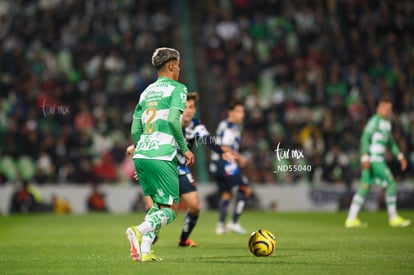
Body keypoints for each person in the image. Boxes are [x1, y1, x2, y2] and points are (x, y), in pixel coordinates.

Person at [126, 92, 234, 247]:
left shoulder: (196, 126)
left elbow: (208, 140)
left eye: (192, 107)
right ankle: (148, 234)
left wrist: (222, 152)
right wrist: (135, 146)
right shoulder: (168, 122)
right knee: (162, 208)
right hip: (162, 166)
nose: (189, 110)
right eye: (185, 107)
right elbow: (150, 135)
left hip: (180, 169)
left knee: (195, 207)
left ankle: (183, 239)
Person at [125, 47, 195, 262]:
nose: (180, 69)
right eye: (179, 65)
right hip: (163, 154)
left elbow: (135, 130)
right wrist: (184, 148)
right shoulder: (178, 89)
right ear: (172, 65)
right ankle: (138, 230)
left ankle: (145, 251)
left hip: (143, 154)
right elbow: (174, 120)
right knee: (171, 209)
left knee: (157, 203)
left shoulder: (146, 92)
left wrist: (143, 151)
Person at [344, 97, 410, 228]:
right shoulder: (374, 121)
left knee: (364, 187)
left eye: (389, 108)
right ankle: (393, 217)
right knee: (391, 183)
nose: (387, 110)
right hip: (374, 159)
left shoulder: (387, 123)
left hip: (376, 159)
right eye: (385, 108)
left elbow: (391, 143)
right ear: (379, 109)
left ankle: (351, 218)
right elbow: (365, 139)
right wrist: (364, 158)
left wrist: (400, 156)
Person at [210, 99, 252, 235]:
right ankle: (233, 222)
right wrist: (240, 158)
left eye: (243, 112)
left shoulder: (224, 125)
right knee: (245, 190)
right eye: (239, 111)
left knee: (227, 194)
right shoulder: (231, 127)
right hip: (225, 163)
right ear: (230, 113)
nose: (242, 114)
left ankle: (221, 226)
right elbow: (225, 146)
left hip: (216, 163)